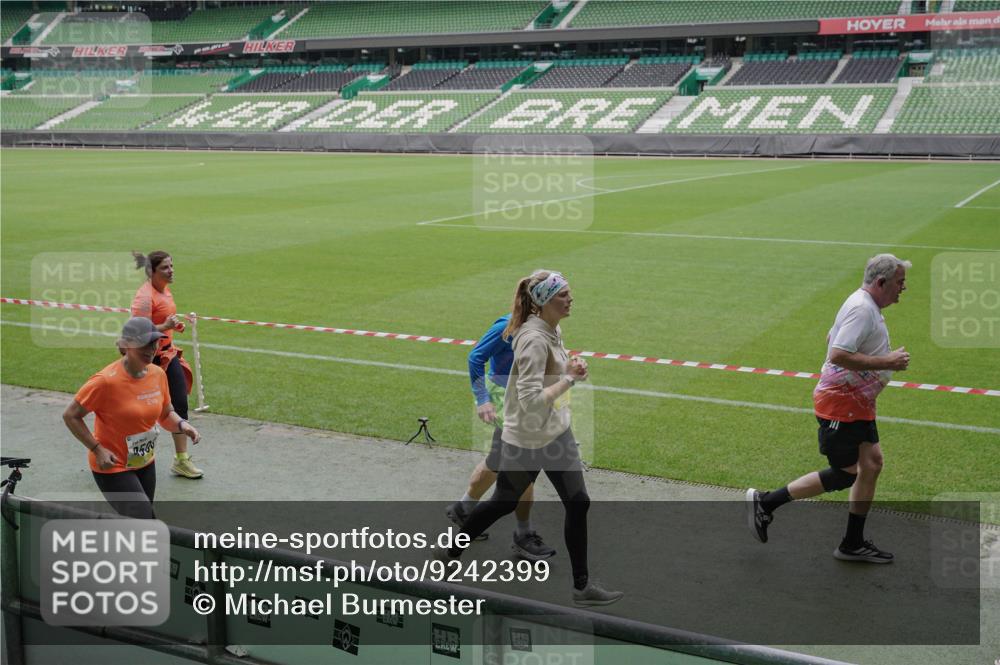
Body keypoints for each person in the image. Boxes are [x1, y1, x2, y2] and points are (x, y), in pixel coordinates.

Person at [440, 270, 623, 607]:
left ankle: (582, 588)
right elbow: (529, 400)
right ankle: (451, 554)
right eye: (563, 294)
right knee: (504, 502)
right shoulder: (532, 339)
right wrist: (569, 380)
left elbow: (555, 369)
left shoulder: (552, 329)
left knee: (578, 501)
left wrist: (572, 366)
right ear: (543, 301)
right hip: (525, 437)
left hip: (554, 432)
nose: (571, 298)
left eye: (569, 292)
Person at [746, 254, 911, 563]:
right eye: (900, 283)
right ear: (881, 282)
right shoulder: (863, 309)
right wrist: (887, 362)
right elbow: (837, 353)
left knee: (872, 464)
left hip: (857, 403)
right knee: (845, 474)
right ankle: (766, 503)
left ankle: (852, 542)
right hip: (842, 405)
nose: (904, 288)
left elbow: (832, 336)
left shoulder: (865, 305)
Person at [63, 317, 201, 518]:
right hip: (112, 465)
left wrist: (182, 424)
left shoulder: (157, 374)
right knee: (144, 519)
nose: (151, 348)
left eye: (154, 342)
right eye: (143, 343)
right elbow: (71, 415)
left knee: (139, 522)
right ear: (126, 345)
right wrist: (97, 449)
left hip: (144, 461)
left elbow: (165, 413)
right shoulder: (105, 382)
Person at [446, 313, 556, 561]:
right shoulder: (508, 326)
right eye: (561, 294)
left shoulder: (548, 326)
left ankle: (463, 508)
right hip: (507, 401)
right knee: (522, 468)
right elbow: (475, 357)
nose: (569, 299)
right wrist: (482, 399)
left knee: (498, 459)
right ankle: (523, 536)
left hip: (525, 402)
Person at [131, 250, 203, 479]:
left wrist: (174, 326)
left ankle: (181, 461)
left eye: (172, 266)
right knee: (140, 410)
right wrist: (163, 327)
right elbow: (136, 333)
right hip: (146, 358)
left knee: (179, 402)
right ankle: (132, 459)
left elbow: (163, 322)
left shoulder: (165, 290)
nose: (171, 271)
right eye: (165, 268)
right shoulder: (144, 298)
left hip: (167, 355)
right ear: (152, 272)